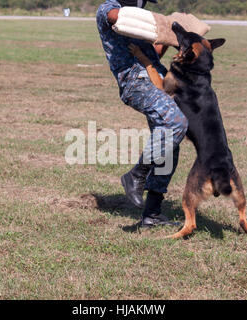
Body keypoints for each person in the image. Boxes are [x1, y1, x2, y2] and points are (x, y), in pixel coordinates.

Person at [96, 0, 188, 227]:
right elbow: (115, 18)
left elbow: (154, 51)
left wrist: (167, 35)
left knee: (169, 145)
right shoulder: (108, 8)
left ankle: (152, 214)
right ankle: (136, 175)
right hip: (135, 83)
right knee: (176, 123)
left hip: (157, 80)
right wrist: (154, 21)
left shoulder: (141, 19)